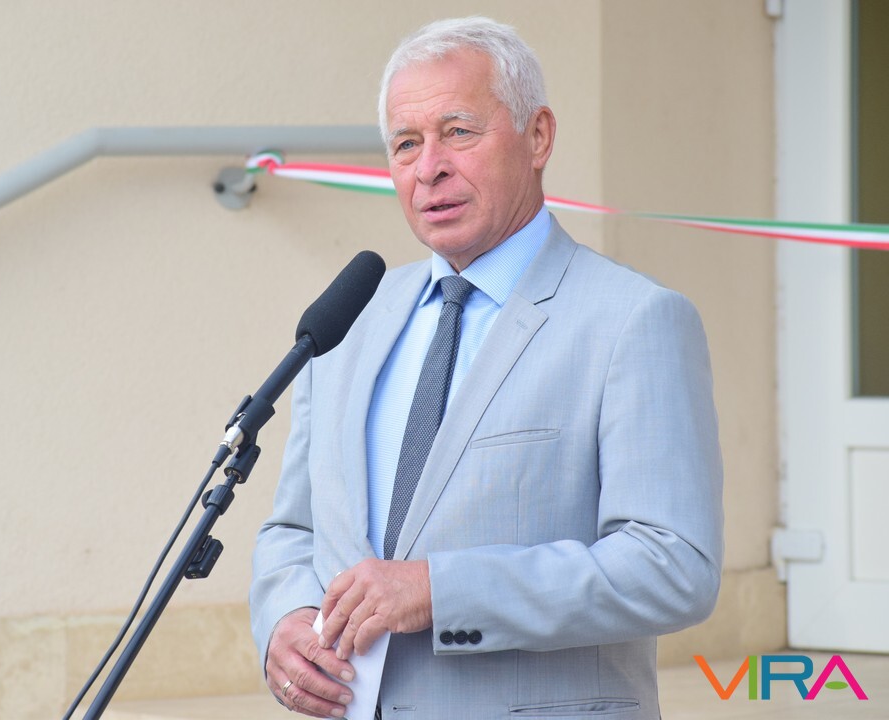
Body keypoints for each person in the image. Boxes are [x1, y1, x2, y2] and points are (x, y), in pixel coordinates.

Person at [250, 16, 723, 720]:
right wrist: (286, 619)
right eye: (406, 144)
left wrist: (441, 590)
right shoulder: (352, 320)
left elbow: (673, 566)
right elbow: (295, 530)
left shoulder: (634, 319)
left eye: (458, 132)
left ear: (538, 137)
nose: (429, 167)